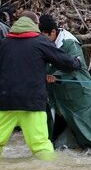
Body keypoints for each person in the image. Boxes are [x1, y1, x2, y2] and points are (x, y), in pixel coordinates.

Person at [0, 15, 81, 160]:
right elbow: (64, 62)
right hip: (33, 103)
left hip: (5, 102)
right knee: (41, 145)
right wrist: (76, 62)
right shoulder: (40, 42)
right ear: (35, 24)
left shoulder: (4, 43)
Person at [39, 14, 91, 150]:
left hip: (79, 95)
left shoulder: (69, 42)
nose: (42, 40)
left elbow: (75, 67)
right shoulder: (48, 43)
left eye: (44, 36)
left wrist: (57, 77)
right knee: (55, 137)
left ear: (53, 32)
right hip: (59, 98)